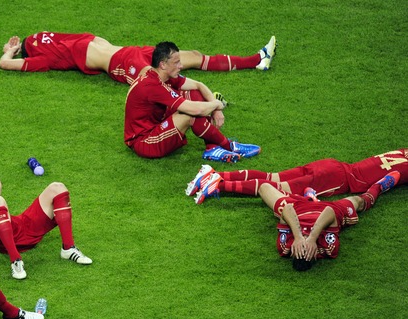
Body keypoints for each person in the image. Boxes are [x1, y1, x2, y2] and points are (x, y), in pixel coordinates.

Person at [124, 42, 260, 162]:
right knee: (189, 115)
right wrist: (218, 104)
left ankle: (212, 148)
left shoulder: (160, 74)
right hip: (144, 141)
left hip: (156, 122)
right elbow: (195, 111)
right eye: (176, 62)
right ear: (163, 64)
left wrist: (216, 110)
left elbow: (198, 85)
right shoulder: (152, 86)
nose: (181, 66)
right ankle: (229, 146)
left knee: (194, 94)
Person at [0, 32, 277, 85]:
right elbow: (4, 65)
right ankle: (202, 102)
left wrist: (10, 51)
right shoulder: (44, 51)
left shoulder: (43, 46)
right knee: (162, 78)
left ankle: (256, 60)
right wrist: (12, 51)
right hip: (119, 63)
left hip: (127, 51)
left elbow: (6, 61)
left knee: (187, 57)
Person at [256, 171, 400, 271]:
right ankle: (379, 187)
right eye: (307, 248)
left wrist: (298, 237)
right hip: (331, 209)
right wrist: (313, 238)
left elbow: (287, 209)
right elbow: (329, 213)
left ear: (293, 252)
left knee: (264, 188)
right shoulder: (328, 248)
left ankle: (310, 199)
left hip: (298, 208)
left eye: (301, 248)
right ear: (314, 254)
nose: (304, 244)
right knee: (359, 202)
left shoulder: (285, 246)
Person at [187, 148, 408, 203]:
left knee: (273, 177)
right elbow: (383, 183)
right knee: (278, 190)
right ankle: (220, 184)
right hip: (339, 180)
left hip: (332, 165)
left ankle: (214, 173)